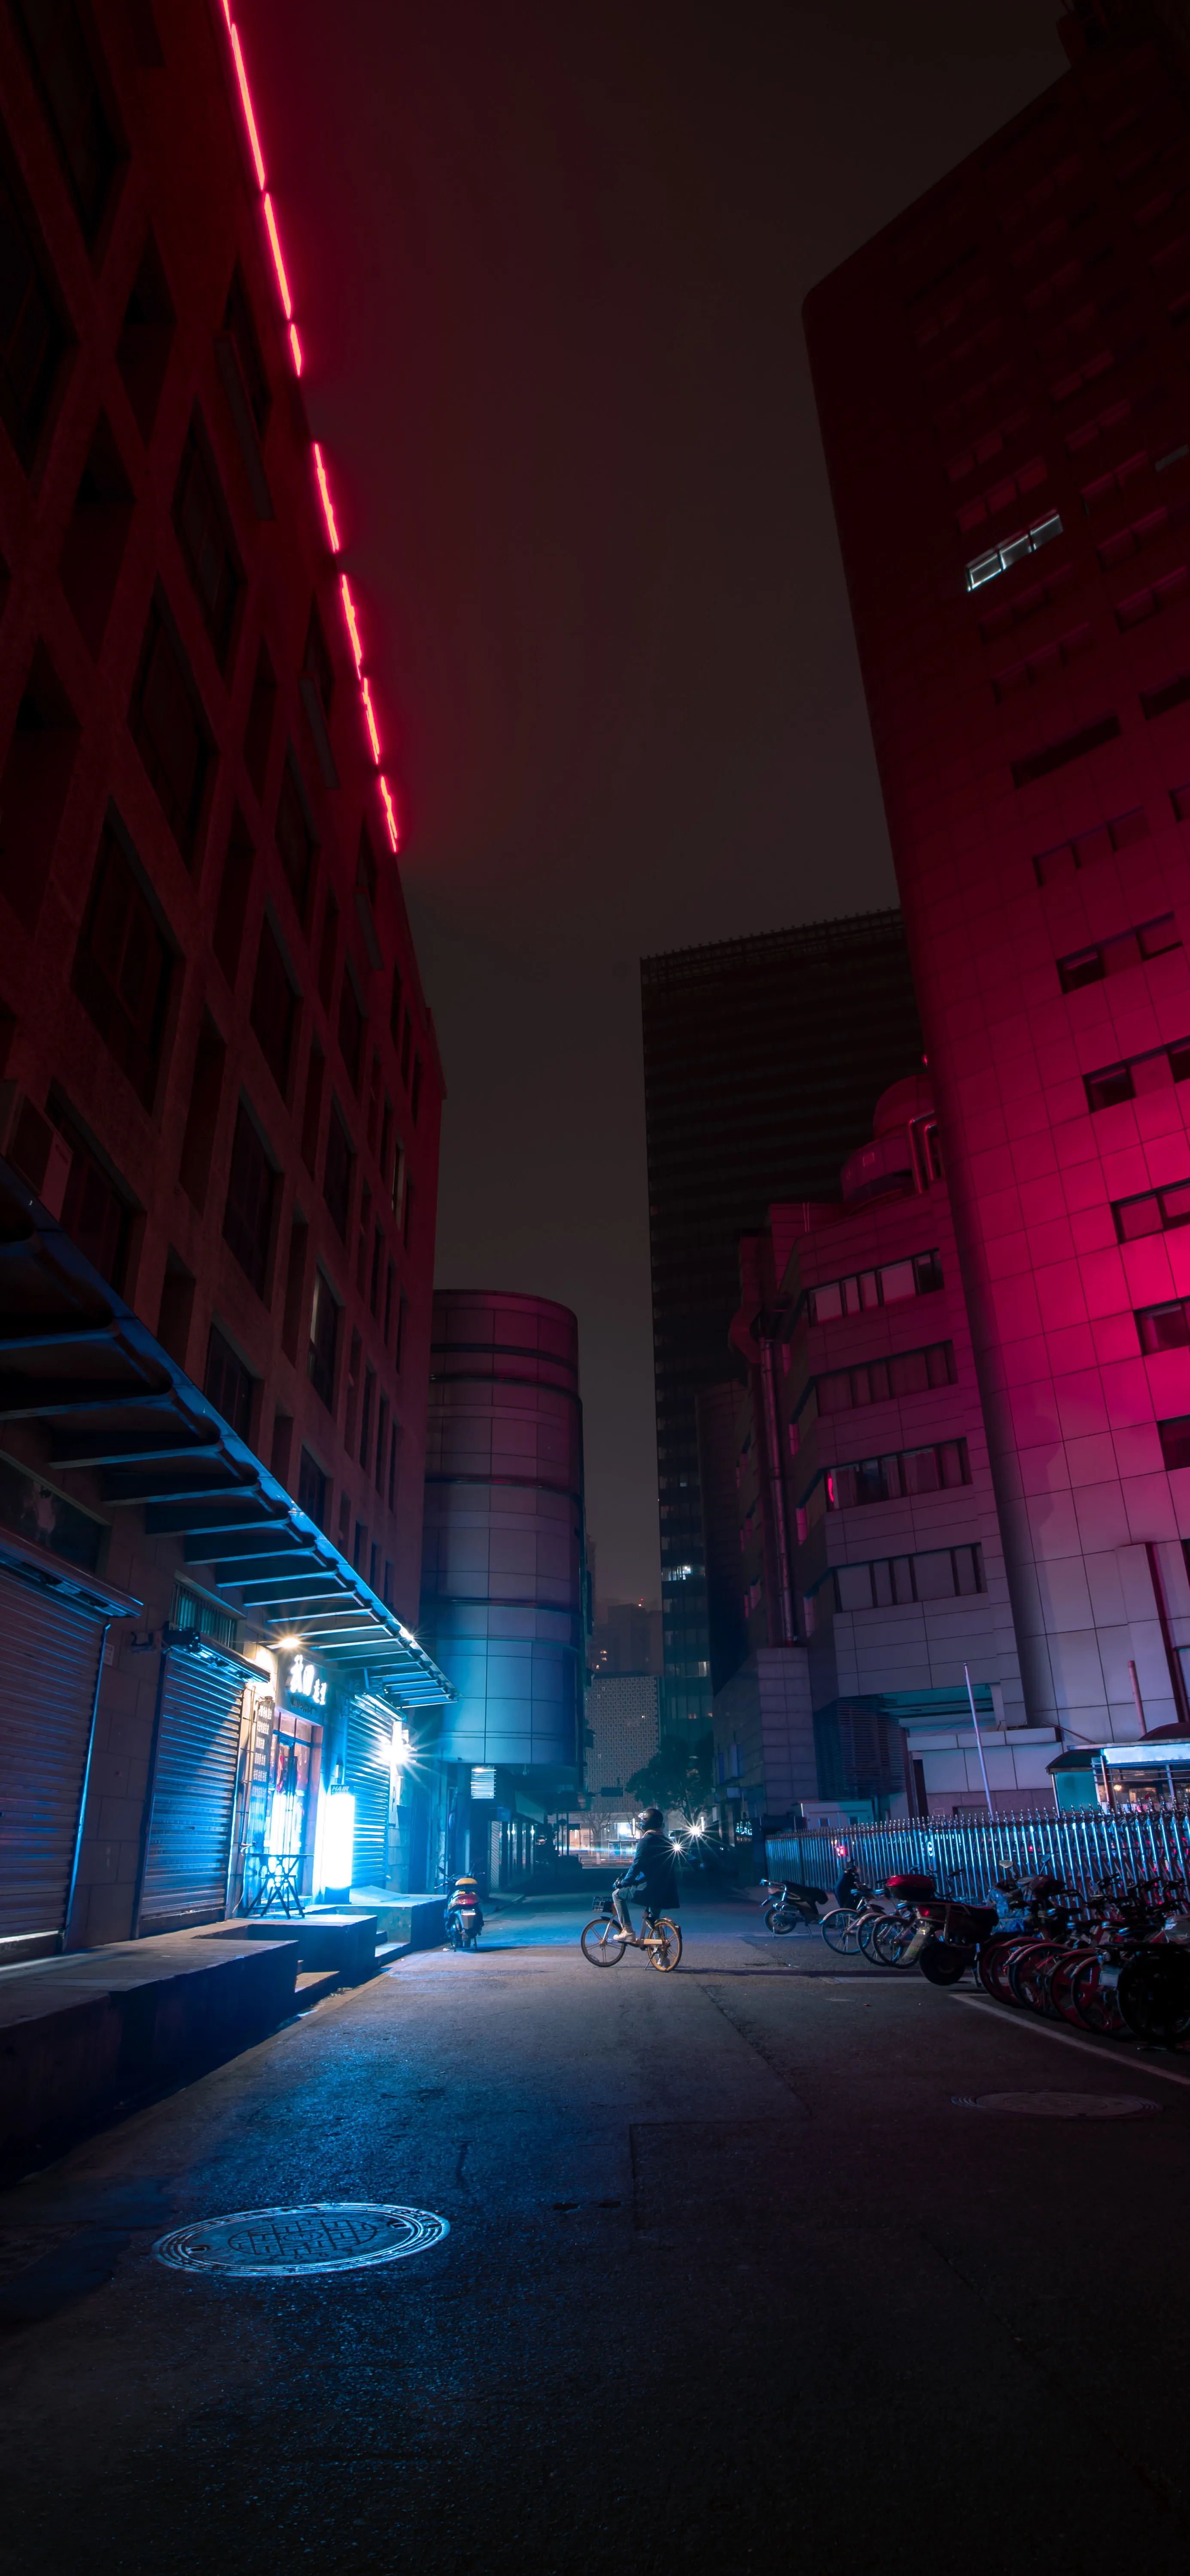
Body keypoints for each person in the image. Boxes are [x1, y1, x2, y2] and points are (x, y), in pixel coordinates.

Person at [612, 1807, 679, 1944]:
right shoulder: (668, 1842)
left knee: (617, 1895)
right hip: (665, 1891)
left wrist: (624, 1883)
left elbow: (636, 1866)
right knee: (653, 1921)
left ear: (648, 1823)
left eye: (644, 1821)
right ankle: (662, 1953)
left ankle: (628, 1931)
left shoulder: (646, 1841)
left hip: (648, 1890)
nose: (642, 1823)